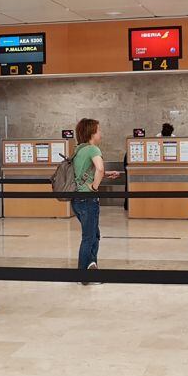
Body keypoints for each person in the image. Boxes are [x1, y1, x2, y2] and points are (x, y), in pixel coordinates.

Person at [71, 118, 120, 282]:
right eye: (99, 130)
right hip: (88, 199)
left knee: (94, 235)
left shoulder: (79, 149)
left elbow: (86, 172)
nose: (101, 133)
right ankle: (83, 275)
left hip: (77, 199)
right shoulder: (93, 149)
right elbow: (99, 168)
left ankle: (91, 266)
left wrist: (105, 174)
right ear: (92, 132)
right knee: (89, 237)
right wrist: (94, 187)